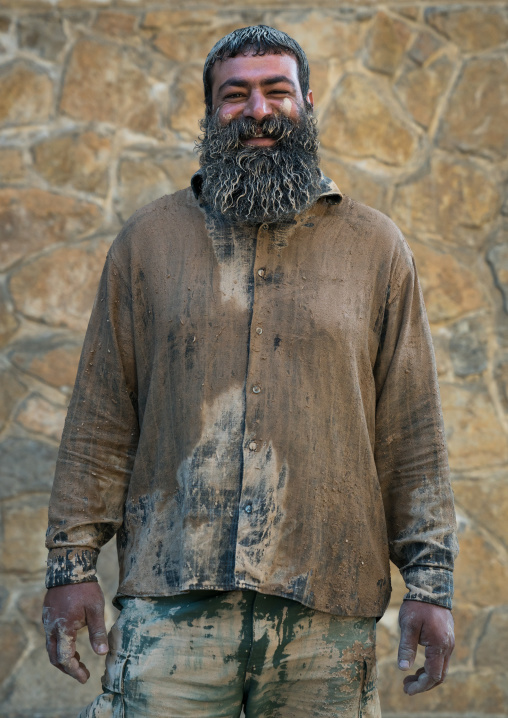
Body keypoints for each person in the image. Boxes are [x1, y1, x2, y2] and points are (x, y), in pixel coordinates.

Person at [42, 25, 458, 718]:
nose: (258, 110)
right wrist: (70, 568)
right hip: (171, 604)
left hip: (326, 612)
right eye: (235, 95)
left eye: (276, 91)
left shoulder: (376, 247)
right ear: (210, 114)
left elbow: (411, 430)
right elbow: (101, 417)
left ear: (307, 103)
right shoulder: (147, 243)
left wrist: (431, 583)